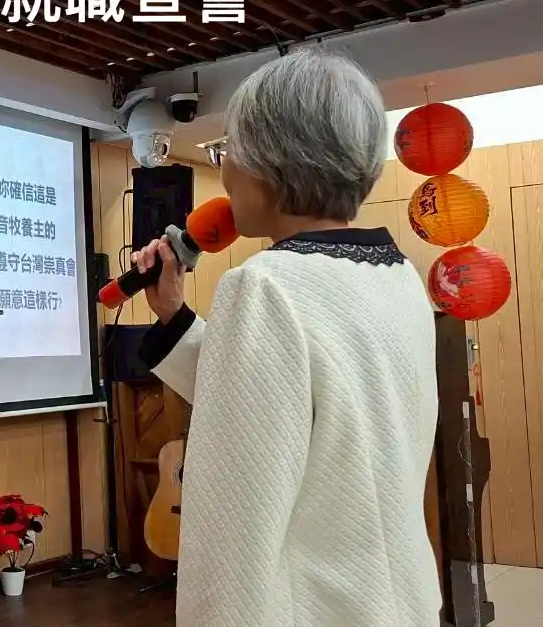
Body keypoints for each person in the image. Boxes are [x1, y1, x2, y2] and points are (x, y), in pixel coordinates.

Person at [133, 48, 440, 627]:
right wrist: (173, 314)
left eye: (228, 149)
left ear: (270, 162)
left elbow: (233, 524)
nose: (225, 170)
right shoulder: (398, 277)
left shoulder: (264, 286)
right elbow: (300, 411)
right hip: (399, 601)